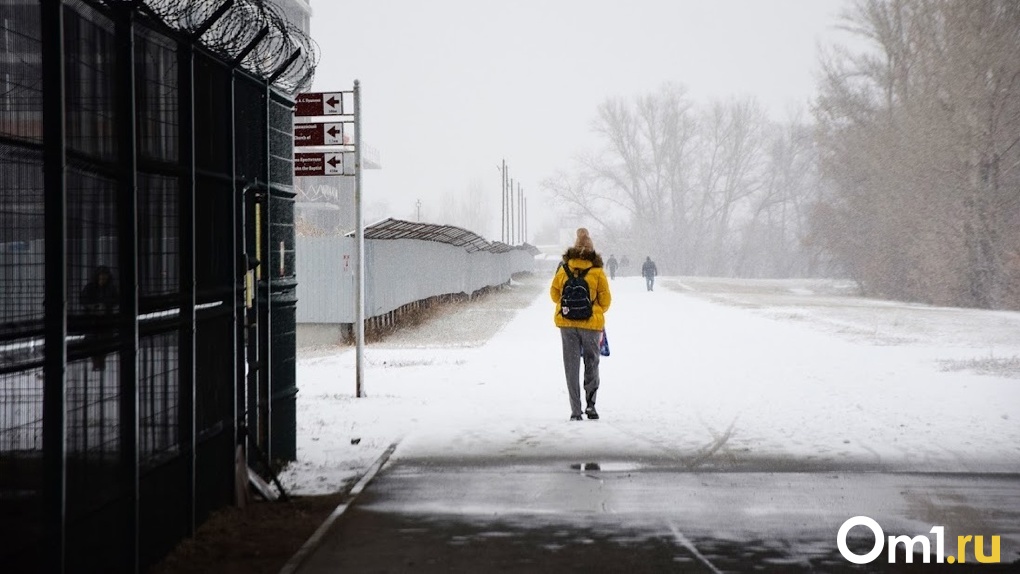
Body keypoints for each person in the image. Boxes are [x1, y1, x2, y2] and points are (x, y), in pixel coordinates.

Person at [550, 228, 611, 421]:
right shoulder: (597, 271)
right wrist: (592, 309)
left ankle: (575, 411)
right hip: (591, 326)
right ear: (592, 251)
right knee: (591, 363)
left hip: (567, 324)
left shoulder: (563, 269)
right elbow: (606, 301)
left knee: (571, 365)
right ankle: (591, 405)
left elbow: (554, 295)